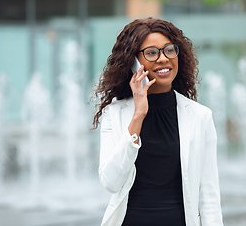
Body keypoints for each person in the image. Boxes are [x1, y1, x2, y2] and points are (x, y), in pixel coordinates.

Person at [92, 17, 224, 226]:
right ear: (133, 62)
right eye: (151, 53)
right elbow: (111, 182)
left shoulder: (200, 116)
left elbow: (209, 195)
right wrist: (138, 115)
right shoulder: (114, 114)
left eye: (169, 50)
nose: (163, 58)